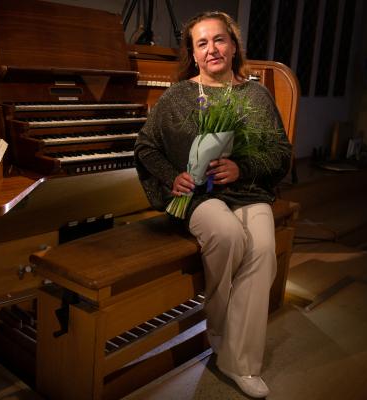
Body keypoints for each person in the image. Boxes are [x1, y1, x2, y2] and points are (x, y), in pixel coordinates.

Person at [134, 11, 292, 399]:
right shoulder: (177, 96)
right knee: (227, 234)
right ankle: (219, 325)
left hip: (248, 191)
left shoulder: (256, 95)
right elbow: (145, 147)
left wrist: (242, 168)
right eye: (201, 43)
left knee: (263, 250)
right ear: (193, 53)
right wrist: (172, 176)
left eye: (219, 40)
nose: (212, 49)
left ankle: (241, 364)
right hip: (197, 197)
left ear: (234, 46)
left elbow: (281, 153)